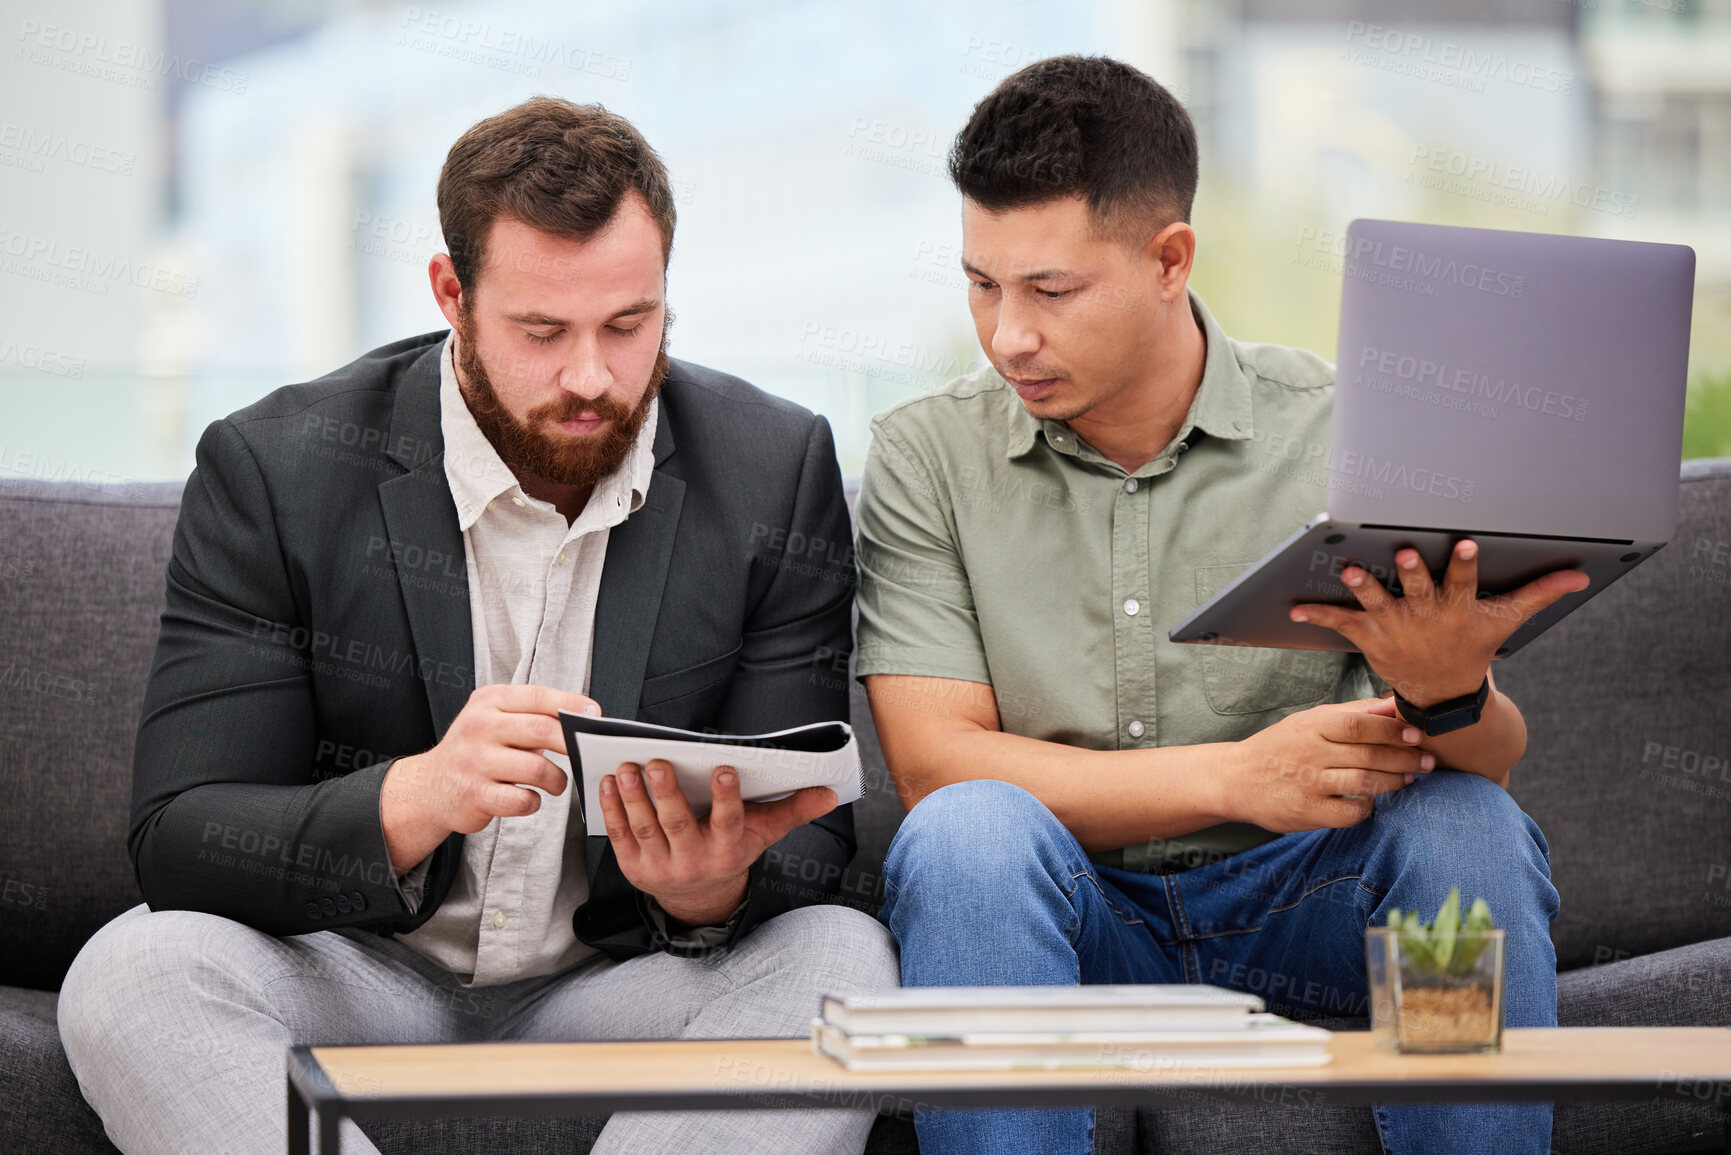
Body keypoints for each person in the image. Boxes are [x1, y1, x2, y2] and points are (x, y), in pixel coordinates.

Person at [58, 96, 896, 1155]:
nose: (592, 377)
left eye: (630, 326)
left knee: (842, 960)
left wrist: (709, 887)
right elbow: (179, 837)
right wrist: (414, 798)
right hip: (356, 975)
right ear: (453, 295)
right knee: (131, 972)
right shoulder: (276, 468)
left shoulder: (774, 469)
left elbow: (814, 833)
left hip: (621, 992)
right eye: (543, 332)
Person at [856, 55, 1585, 1155]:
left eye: (1051, 291)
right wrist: (1237, 777)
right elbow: (931, 765)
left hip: (1312, 914)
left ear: (1169, 260)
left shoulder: (1348, 435)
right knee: (967, 835)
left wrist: (1445, 691)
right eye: (981, 283)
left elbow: (1492, 758)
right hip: (1067, 921)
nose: (1008, 334)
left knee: (1467, 827)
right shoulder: (928, 456)